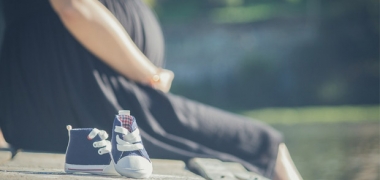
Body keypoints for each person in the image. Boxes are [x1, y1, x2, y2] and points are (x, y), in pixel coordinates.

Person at [0, 0, 302, 179]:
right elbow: (72, 6)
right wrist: (148, 73)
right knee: (264, 145)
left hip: (40, 103)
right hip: (85, 91)